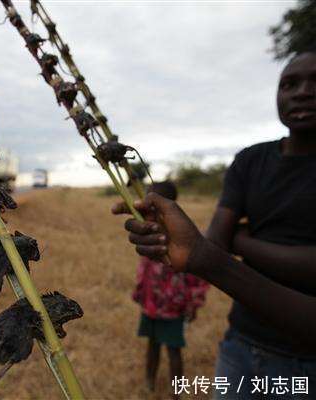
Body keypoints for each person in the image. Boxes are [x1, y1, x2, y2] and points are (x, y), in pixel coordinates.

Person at [113, 48, 316, 399]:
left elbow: (222, 245)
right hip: (242, 343)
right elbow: (214, 245)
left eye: (314, 82)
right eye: (289, 83)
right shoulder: (250, 162)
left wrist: (242, 242)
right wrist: (219, 248)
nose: (302, 91)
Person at [132, 181, 209, 396]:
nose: (147, 206)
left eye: (153, 201)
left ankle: (177, 392)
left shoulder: (184, 235)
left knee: (173, 350)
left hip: (173, 307)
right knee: (152, 345)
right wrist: (139, 292)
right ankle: (149, 383)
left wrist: (193, 304)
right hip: (151, 304)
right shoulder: (148, 232)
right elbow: (144, 267)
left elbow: (197, 277)